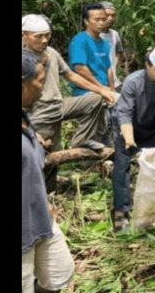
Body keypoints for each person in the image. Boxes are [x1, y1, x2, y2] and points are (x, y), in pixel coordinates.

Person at [22, 14, 116, 190]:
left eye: (47, 35)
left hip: (58, 105)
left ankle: (82, 140)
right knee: (47, 156)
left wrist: (102, 91)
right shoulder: (23, 60)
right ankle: (44, 196)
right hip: (38, 112)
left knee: (94, 100)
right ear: (23, 36)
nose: (44, 40)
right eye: (38, 36)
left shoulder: (51, 53)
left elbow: (71, 75)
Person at [22, 49, 74, 293]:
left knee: (59, 273)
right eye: (39, 82)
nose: (43, 89)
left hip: (42, 220)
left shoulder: (25, 117)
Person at [111, 46, 155, 231]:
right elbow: (125, 113)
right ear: (147, 65)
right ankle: (121, 211)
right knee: (122, 167)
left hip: (151, 129)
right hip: (126, 127)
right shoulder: (133, 81)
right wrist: (129, 140)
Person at [100, 1, 126, 90]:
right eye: (107, 15)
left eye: (113, 15)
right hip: (99, 85)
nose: (110, 18)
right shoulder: (91, 36)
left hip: (115, 83)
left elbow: (119, 54)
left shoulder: (115, 35)